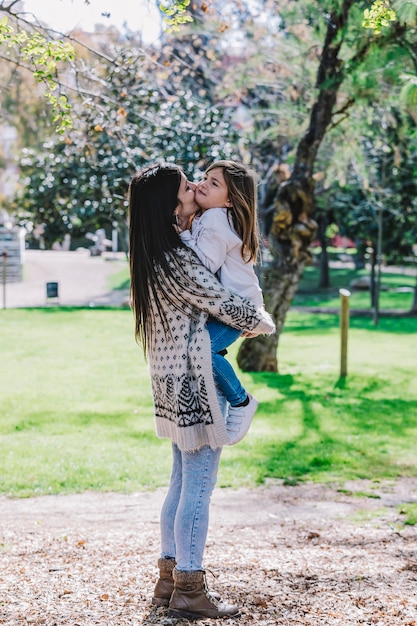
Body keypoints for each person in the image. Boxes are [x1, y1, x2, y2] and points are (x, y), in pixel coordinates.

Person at [128, 163, 275, 620]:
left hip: (173, 382)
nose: (194, 187)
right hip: (197, 383)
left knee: (180, 481)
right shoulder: (177, 258)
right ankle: (190, 589)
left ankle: (169, 581)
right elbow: (222, 301)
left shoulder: (154, 252)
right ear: (172, 205)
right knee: (198, 486)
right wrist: (262, 321)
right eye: (186, 187)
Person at [179, 160, 268, 445]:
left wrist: (181, 232)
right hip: (232, 307)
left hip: (236, 310)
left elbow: (202, 265)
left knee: (201, 349)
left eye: (214, 183)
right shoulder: (214, 217)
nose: (203, 184)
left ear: (229, 200)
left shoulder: (216, 218)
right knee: (201, 348)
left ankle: (241, 401)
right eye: (205, 177)